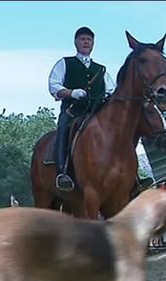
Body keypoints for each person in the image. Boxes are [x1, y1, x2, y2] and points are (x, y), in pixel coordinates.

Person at [48, 26, 116, 191]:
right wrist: (72, 92)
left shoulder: (101, 70)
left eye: (89, 40)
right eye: (82, 39)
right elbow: (53, 86)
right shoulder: (64, 63)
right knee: (63, 129)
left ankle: (133, 178)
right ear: (76, 42)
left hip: (97, 114)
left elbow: (112, 90)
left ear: (93, 44)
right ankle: (62, 173)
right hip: (73, 112)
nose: (86, 42)